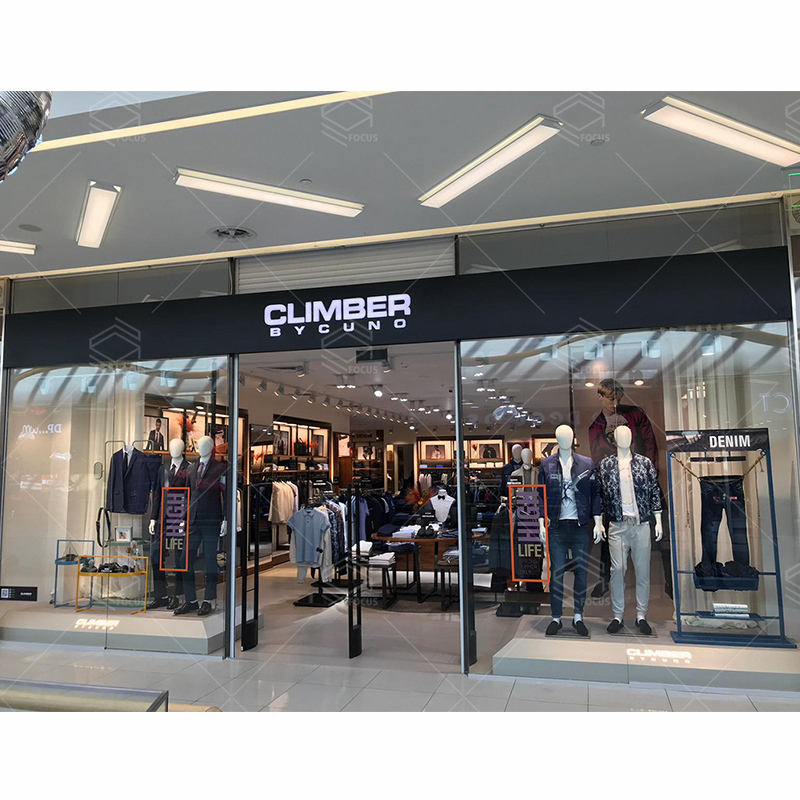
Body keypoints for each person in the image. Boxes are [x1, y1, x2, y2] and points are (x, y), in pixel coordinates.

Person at [587, 379, 671, 599]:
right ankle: (605, 580)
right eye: (610, 399)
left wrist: (647, 476)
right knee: (610, 537)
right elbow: (597, 460)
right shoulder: (596, 426)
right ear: (600, 397)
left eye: (618, 398)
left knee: (662, 533)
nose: (615, 403)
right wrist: (608, 485)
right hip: (614, 491)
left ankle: (669, 581)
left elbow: (650, 445)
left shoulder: (636, 415)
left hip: (641, 482)